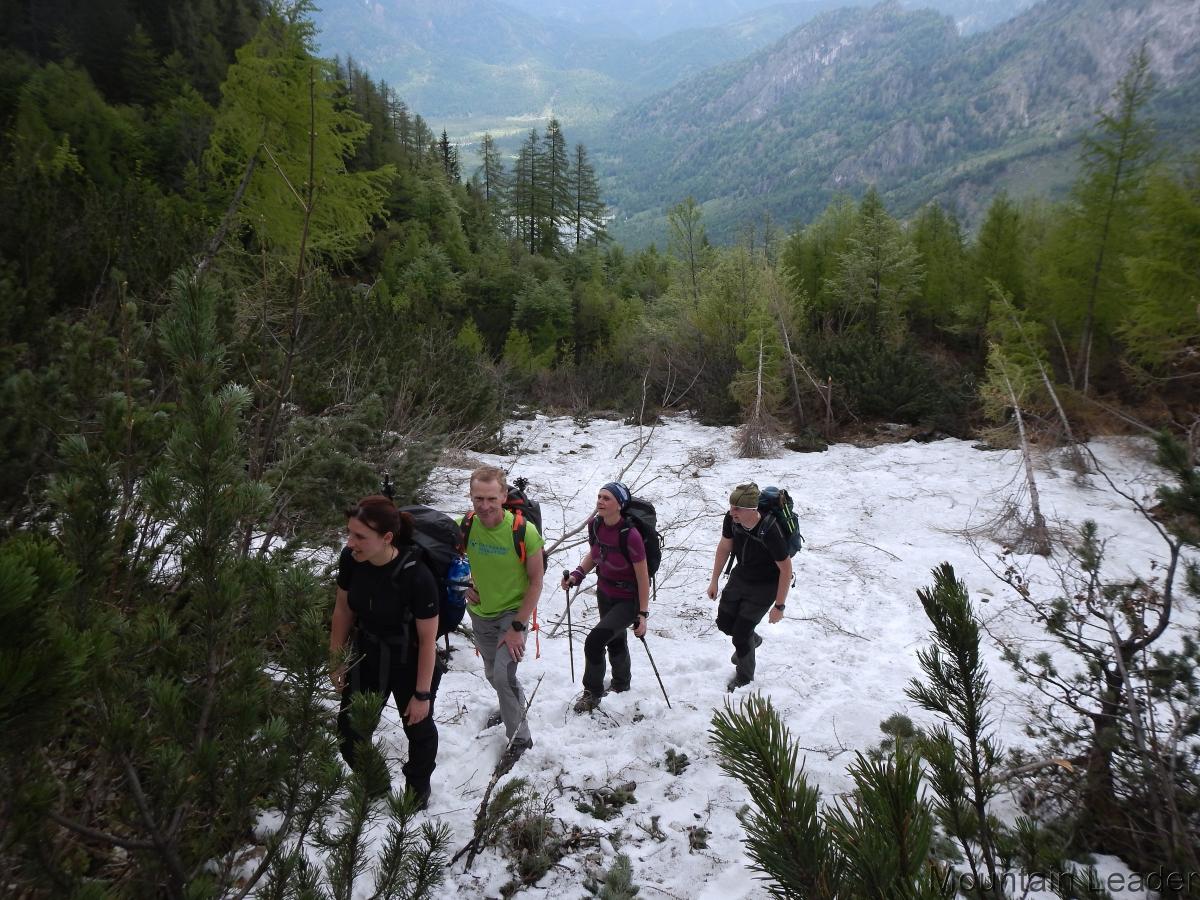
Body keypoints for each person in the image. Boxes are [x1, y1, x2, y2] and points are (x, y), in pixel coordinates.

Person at [330, 495, 442, 809]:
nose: (351, 542)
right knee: (349, 731)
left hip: (411, 659)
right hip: (367, 654)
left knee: (418, 730)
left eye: (360, 536)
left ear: (387, 538)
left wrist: (422, 695)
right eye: (349, 533)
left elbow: (428, 640)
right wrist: (336, 658)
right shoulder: (351, 559)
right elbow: (343, 610)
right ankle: (376, 784)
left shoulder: (417, 576)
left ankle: (417, 792)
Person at [462, 466, 544, 769]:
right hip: (481, 613)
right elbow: (451, 559)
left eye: (491, 499)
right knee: (493, 674)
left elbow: (536, 582)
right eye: (478, 498)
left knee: (503, 675)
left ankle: (520, 739)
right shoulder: (466, 525)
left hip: (513, 612)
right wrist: (464, 583)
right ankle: (512, 708)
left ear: (504, 497)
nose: (484, 506)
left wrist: (518, 626)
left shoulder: (523, 532)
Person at [561, 481, 651, 713]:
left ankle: (592, 693)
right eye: (599, 497)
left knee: (594, 642)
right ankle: (621, 683)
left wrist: (642, 614)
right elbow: (595, 554)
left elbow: (643, 577)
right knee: (615, 638)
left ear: (619, 504)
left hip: (628, 599)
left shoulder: (630, 535)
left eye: (606, 498)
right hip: (605, 592)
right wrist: (577, 574)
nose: (600, 501)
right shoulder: (595, 525)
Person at [706, 482, 791, 691]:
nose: (731, 512)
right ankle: (752, 641)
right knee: (725, 623)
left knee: (741, 635)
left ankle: (744, 677)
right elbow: (725, 546)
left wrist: (779, 606)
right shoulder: (731, 520)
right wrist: (714, 580)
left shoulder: (770, 529)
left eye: (737, 508)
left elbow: (786, 570)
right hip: (741, 576)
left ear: (752, 509)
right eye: (731, 506)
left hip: (765, 586)